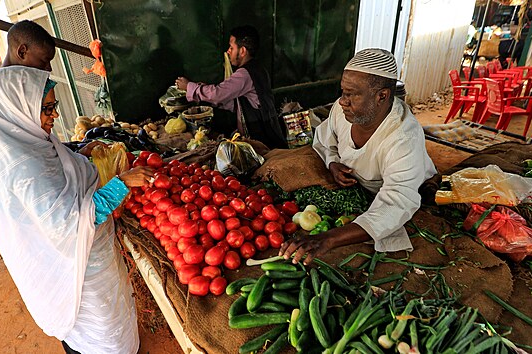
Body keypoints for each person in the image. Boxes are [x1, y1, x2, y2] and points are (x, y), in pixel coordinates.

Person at [0, 66, 154, 354]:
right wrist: (122, 183)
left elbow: (58, 175)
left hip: (91, 260)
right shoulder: (23, 166)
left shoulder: (30, 141)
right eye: (47, 108)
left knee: (111, 319)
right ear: (19, 107)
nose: (54, 114)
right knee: (100, 333)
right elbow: (67, 224)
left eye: (53, 106)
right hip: (77, 270)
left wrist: (79, 155)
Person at [279, 48, 437, 265]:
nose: (342, 101)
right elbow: (326, 141)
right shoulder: (342, 111)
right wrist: (332, 162)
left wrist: (329, 238)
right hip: (358, 187)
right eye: (343, 92)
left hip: (406, 191)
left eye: (351, 94)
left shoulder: (403, 138)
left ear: (382, 96)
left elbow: (397, 201)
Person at [175, 25, 287, 149]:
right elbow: (238, 103)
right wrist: (206, 94)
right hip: (265, 136)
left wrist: (190, 87)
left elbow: (217, 94)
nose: (228, 51)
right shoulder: (258, 69)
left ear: (242, 51)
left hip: (261, 142)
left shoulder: (244, 74)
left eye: (231, 47)